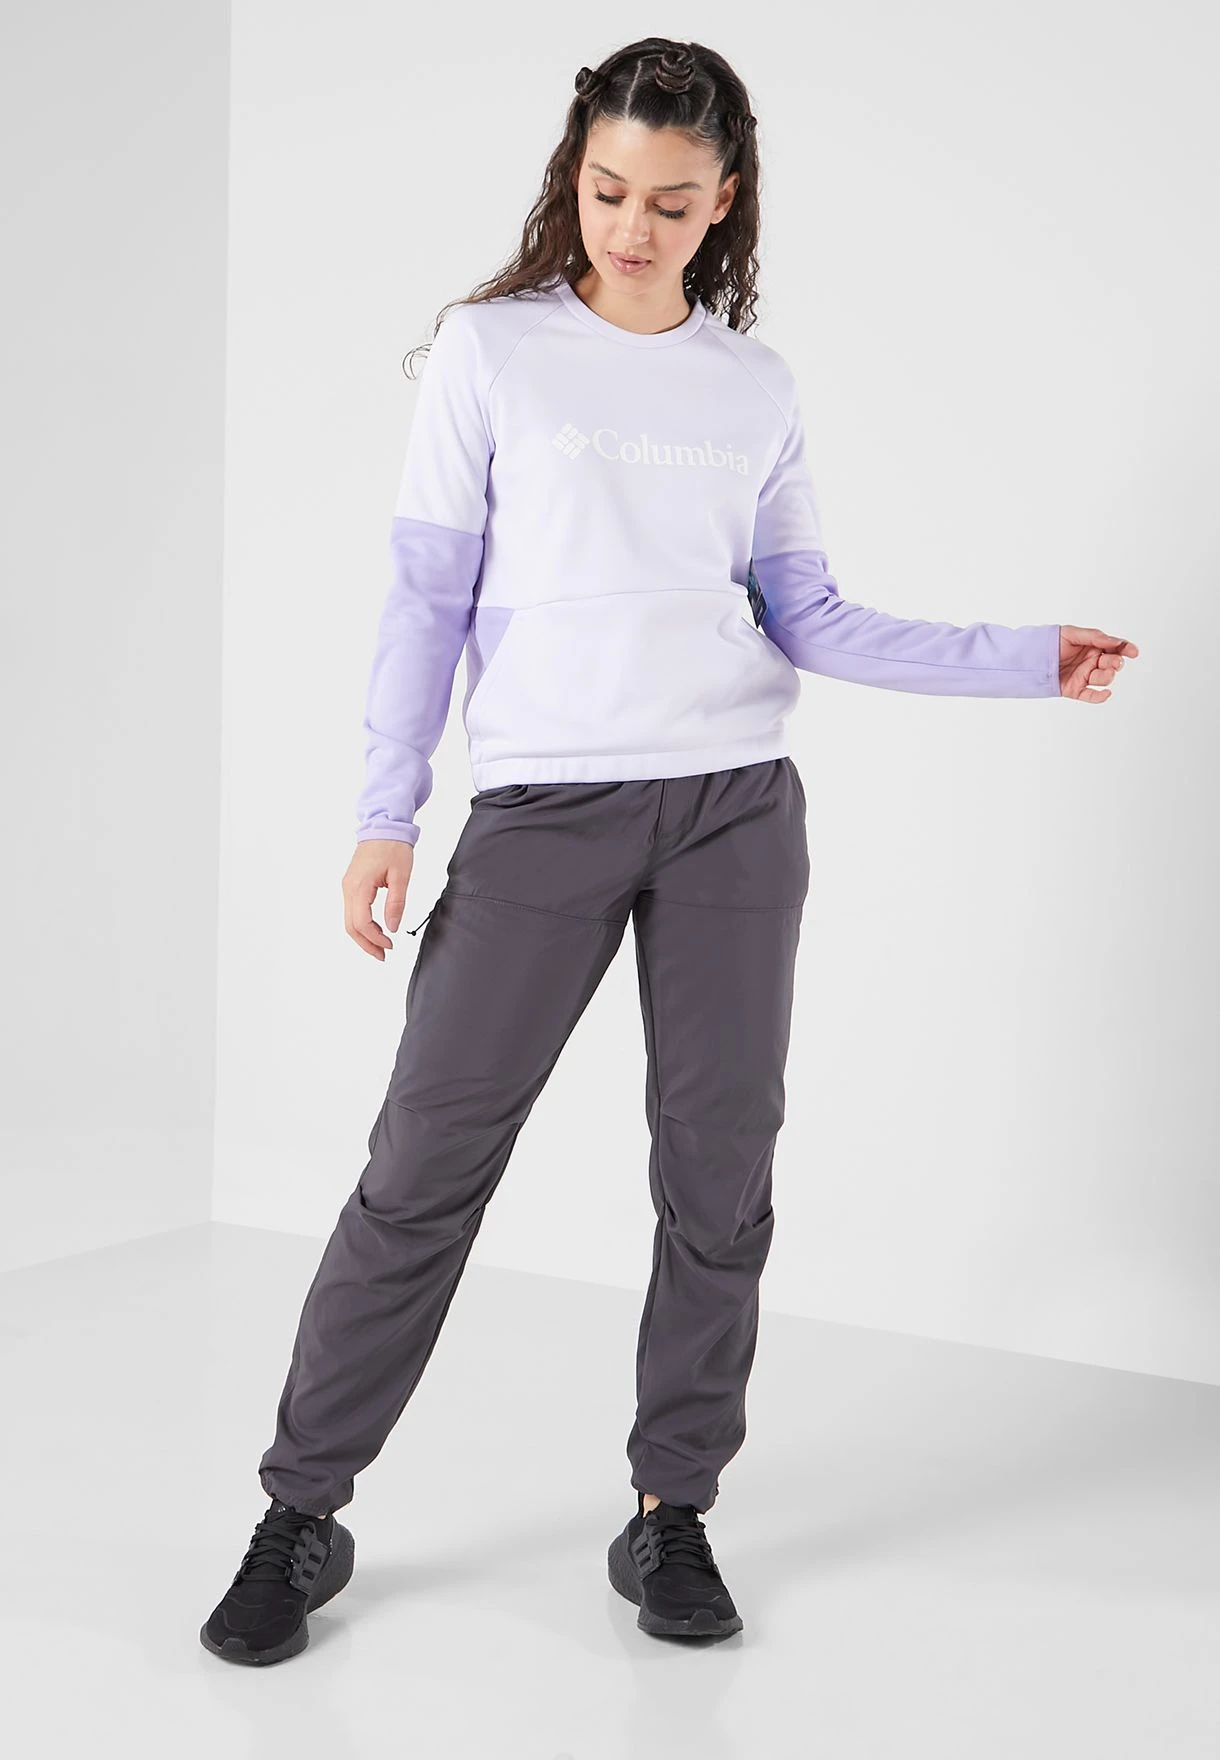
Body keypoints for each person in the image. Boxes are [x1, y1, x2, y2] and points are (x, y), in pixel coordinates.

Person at [201, 36, 1138, 1667]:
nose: (632, 227)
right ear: (574, 177)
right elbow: (425, 596)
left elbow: (810, 616)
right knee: (423, 1170)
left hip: (732, 812)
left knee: (719, 1176)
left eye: (671, 202)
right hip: (543, 812)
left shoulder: (751, 388)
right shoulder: (493, 352)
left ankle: (669, 1512)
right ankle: (302, 1512)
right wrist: (385, 811)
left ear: (726, 203)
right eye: (607, 190)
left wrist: (1019, 657)